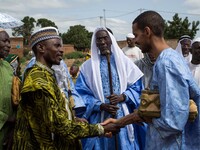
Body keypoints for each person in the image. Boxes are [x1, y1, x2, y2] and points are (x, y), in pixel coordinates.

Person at [102, 10, 200, 149]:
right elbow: (158, 109)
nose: (135, 41)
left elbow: (173, 121)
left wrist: (142, 118)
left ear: (147, 31)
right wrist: (120, 122)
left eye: (136, 35)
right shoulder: (170, 58)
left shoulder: (166, 64)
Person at [12, 27, 120, 150]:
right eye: (57, 46)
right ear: (41, 48)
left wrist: (73, 119)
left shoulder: (46, 74)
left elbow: (50, 113)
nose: (62, 50)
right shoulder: (38, 82)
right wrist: (101, 128)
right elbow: (59, 126)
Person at [75, 27, 146, 150]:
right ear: (95, 42)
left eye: (105, 38)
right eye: (99, 39)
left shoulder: (125, 63)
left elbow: (138, 88)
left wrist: (123, 96)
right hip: (100, 116)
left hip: (122, 114)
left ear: (111, 40)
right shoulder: (87, 67)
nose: (102, 42)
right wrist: (99, 105)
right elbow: (81, 94)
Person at [0, 28, 17, 150]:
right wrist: (6, 118)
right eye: (4, 41)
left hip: (7, 130)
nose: (8, 45)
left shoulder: (7, 67)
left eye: (9, 41)